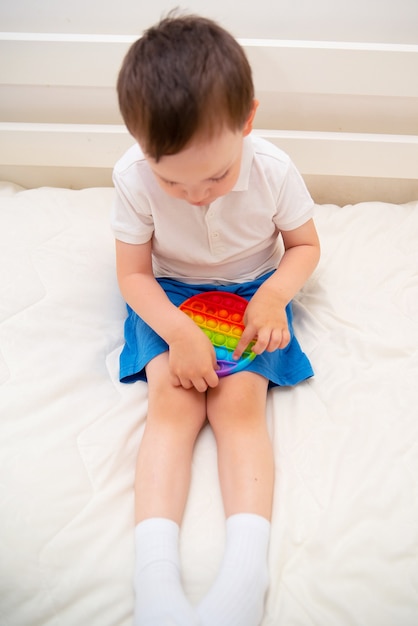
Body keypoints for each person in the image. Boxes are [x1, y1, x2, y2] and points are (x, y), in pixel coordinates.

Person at [111, 13, 320, 626]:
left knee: (239, 405)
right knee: (171, 407)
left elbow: (304, 247)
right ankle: (154, 577)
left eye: (216, 176)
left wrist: (274, 295)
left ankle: (245, 570)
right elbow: (133, 276)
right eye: (172, 180)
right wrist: (178, 332)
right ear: (142, 147)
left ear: (248, 120)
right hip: (168, 294)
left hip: (253, 289)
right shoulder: (131, 178)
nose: (197, 194)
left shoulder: (274, 169)